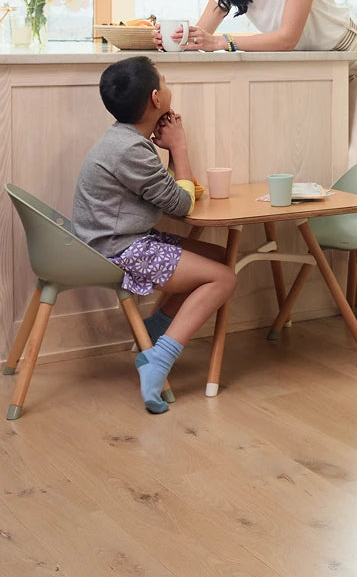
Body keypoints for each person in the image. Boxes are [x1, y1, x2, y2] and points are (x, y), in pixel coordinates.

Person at [165, 0, 357, 320]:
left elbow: (287, 37)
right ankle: (334, 282)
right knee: (325, 169)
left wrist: (221, 41)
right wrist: (178, 40)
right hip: (314, 75)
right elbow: (202, 36)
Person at [72, 56, 237, 414]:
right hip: (119, 250)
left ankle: (153, 330)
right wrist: (179, 147)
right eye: (163, 79)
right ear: (156, 100)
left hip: (121, 240)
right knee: (224, 278)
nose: (167, 83)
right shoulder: (131, 150)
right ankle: (158, 359)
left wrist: (172, 158)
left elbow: (173, 193)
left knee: (219, 259)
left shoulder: (127, 141)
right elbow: (181, 204)